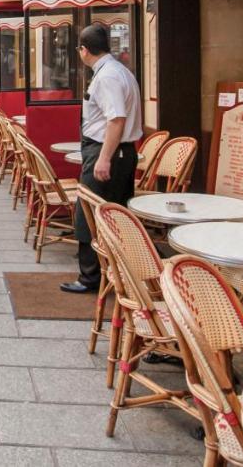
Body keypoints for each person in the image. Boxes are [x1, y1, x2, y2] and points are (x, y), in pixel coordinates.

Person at [60, 24, 143, 294]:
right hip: (117, 151)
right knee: (114, 214)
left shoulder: (107, 76)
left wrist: (104, 158)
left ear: (84, 50)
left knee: (89, 215)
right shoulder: (118, 71)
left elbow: (116, 119)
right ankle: (117, 274)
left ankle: (90, 277)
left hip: (109, 151)